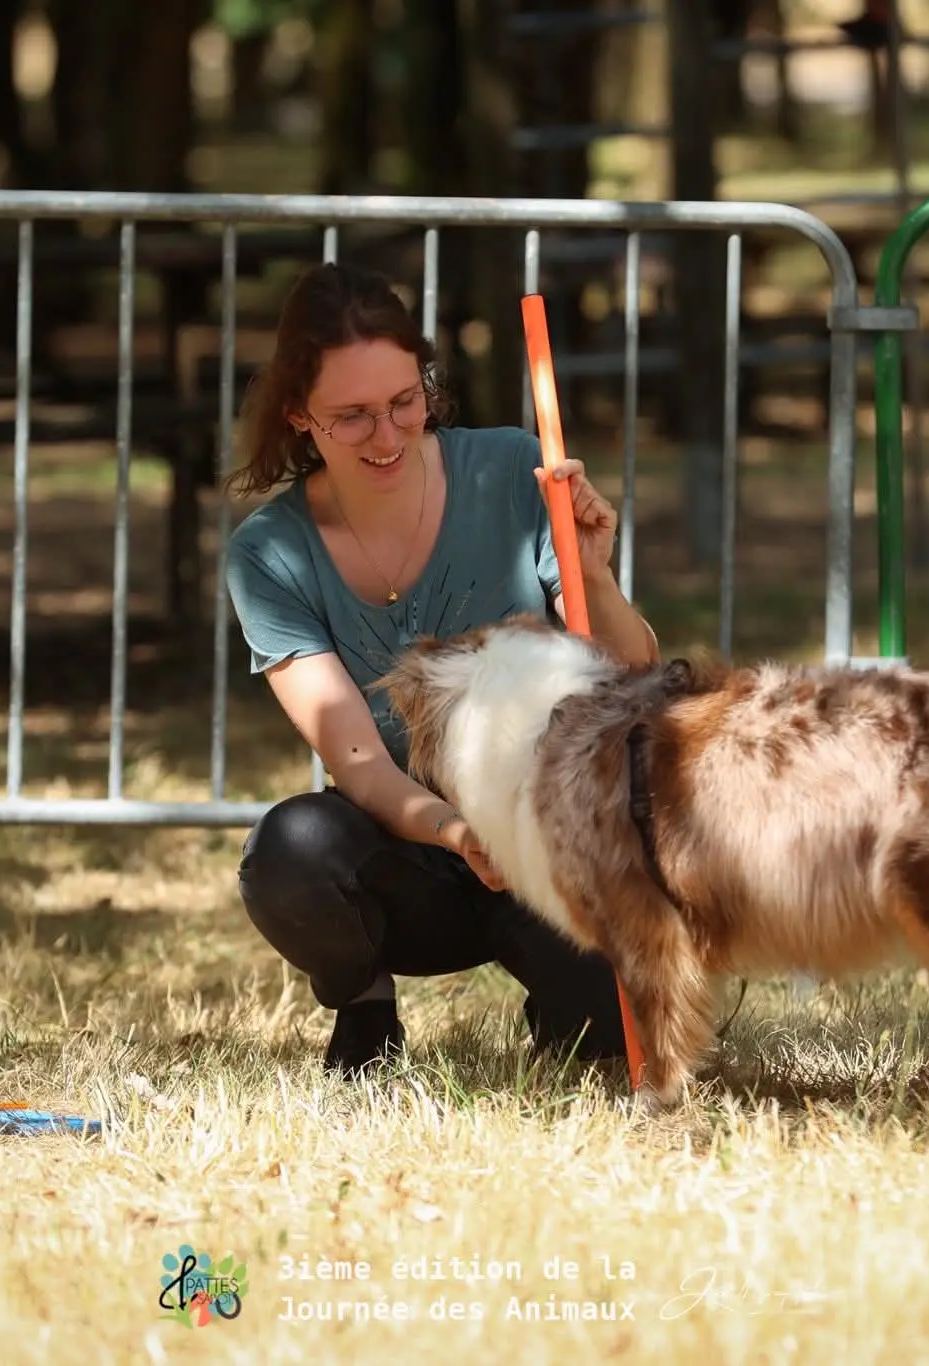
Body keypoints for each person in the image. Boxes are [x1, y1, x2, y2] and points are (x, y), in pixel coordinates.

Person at [223, 262, 663, 1077]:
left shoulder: (511, 470)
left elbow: (636, 676)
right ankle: (364, 1009)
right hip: (414, 847)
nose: (388, 437)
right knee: (293, 849)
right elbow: (352, 757)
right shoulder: (268, 553)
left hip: (549, 839)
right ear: (299, 417)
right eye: (351, 417)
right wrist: (456, 833)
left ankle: (561, 1003)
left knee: (606, 1045)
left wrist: (595, 576)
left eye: (404, 401)